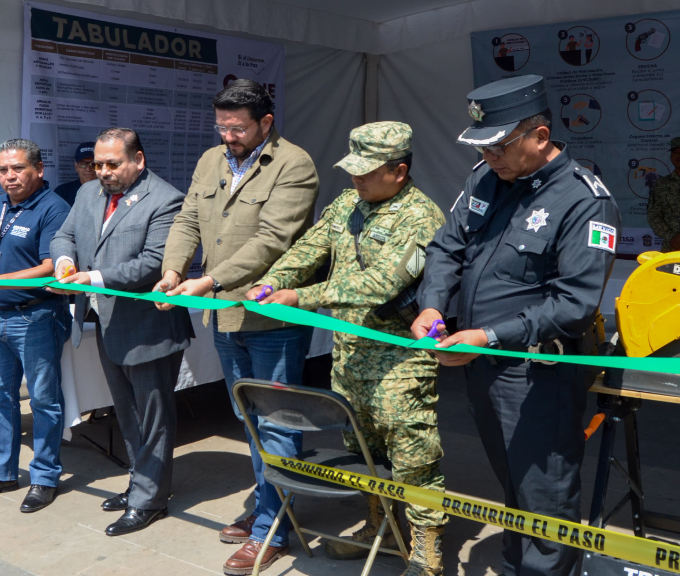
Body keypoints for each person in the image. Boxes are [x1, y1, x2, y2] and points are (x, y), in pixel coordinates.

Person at [412, 75, 620, 576]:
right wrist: (432, 305)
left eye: (500, 146)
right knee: (511, 481)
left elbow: (572, 303)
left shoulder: (585, 200)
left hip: (538, 371)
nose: (489, 157)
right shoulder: (485, 179)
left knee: (544, 491)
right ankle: (515, 565)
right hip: (481, 363)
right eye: (482, 147)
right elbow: (446, 249)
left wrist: (487, 336)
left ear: (540, 137)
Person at [249, 122, 447, 576]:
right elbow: (310, 247)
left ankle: (425, 547)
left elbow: (383, 283)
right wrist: (276, 279)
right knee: (363, 453)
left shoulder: (421, 217)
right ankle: (379, 524)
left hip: (399, 364)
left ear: (398, 171)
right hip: (350, 356)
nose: (355, 180)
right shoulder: (348, 204)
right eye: (353, 170)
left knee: (413, 456)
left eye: (366, 172)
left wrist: (304, 296)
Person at [155, 79, 319, 575]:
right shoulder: (210, 160)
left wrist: (210, 279)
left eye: (238, 128)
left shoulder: (295, 164)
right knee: (247, 417)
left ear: (266, 123)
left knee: (276, 422)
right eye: (221, 126)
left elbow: (272, 240)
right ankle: (268, 499)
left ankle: (273, 527)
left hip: (272, 319)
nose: (228, 136)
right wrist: (172, 269)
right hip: (224, 315)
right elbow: (187, 219)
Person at [50, 128, 194, 536]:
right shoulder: (87, 194)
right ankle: (139, 482)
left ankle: (150, 501)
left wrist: (91, 277)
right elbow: (65, 235)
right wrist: (63, 264)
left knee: (153, 419)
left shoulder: (165, 199)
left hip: (148, 327)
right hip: (106, 324)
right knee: (126, 416)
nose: (103, 172)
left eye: (113, 164)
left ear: (139, 160)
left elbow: (152, 263)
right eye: (98, 164)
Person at [0, 139, 72, 514]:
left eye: (17, 169)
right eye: (3, 170)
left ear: (38, 169)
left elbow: (49, 268)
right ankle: (1, 471)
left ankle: (44, 477)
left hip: (36, 316)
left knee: (42, 401)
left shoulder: (54, 209)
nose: (9, 177)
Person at [54, 141, 97, 206]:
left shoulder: (109, 192)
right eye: (83, 164)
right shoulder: (63, 192)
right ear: (76, 166)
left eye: (93, 164)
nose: (88, 169)